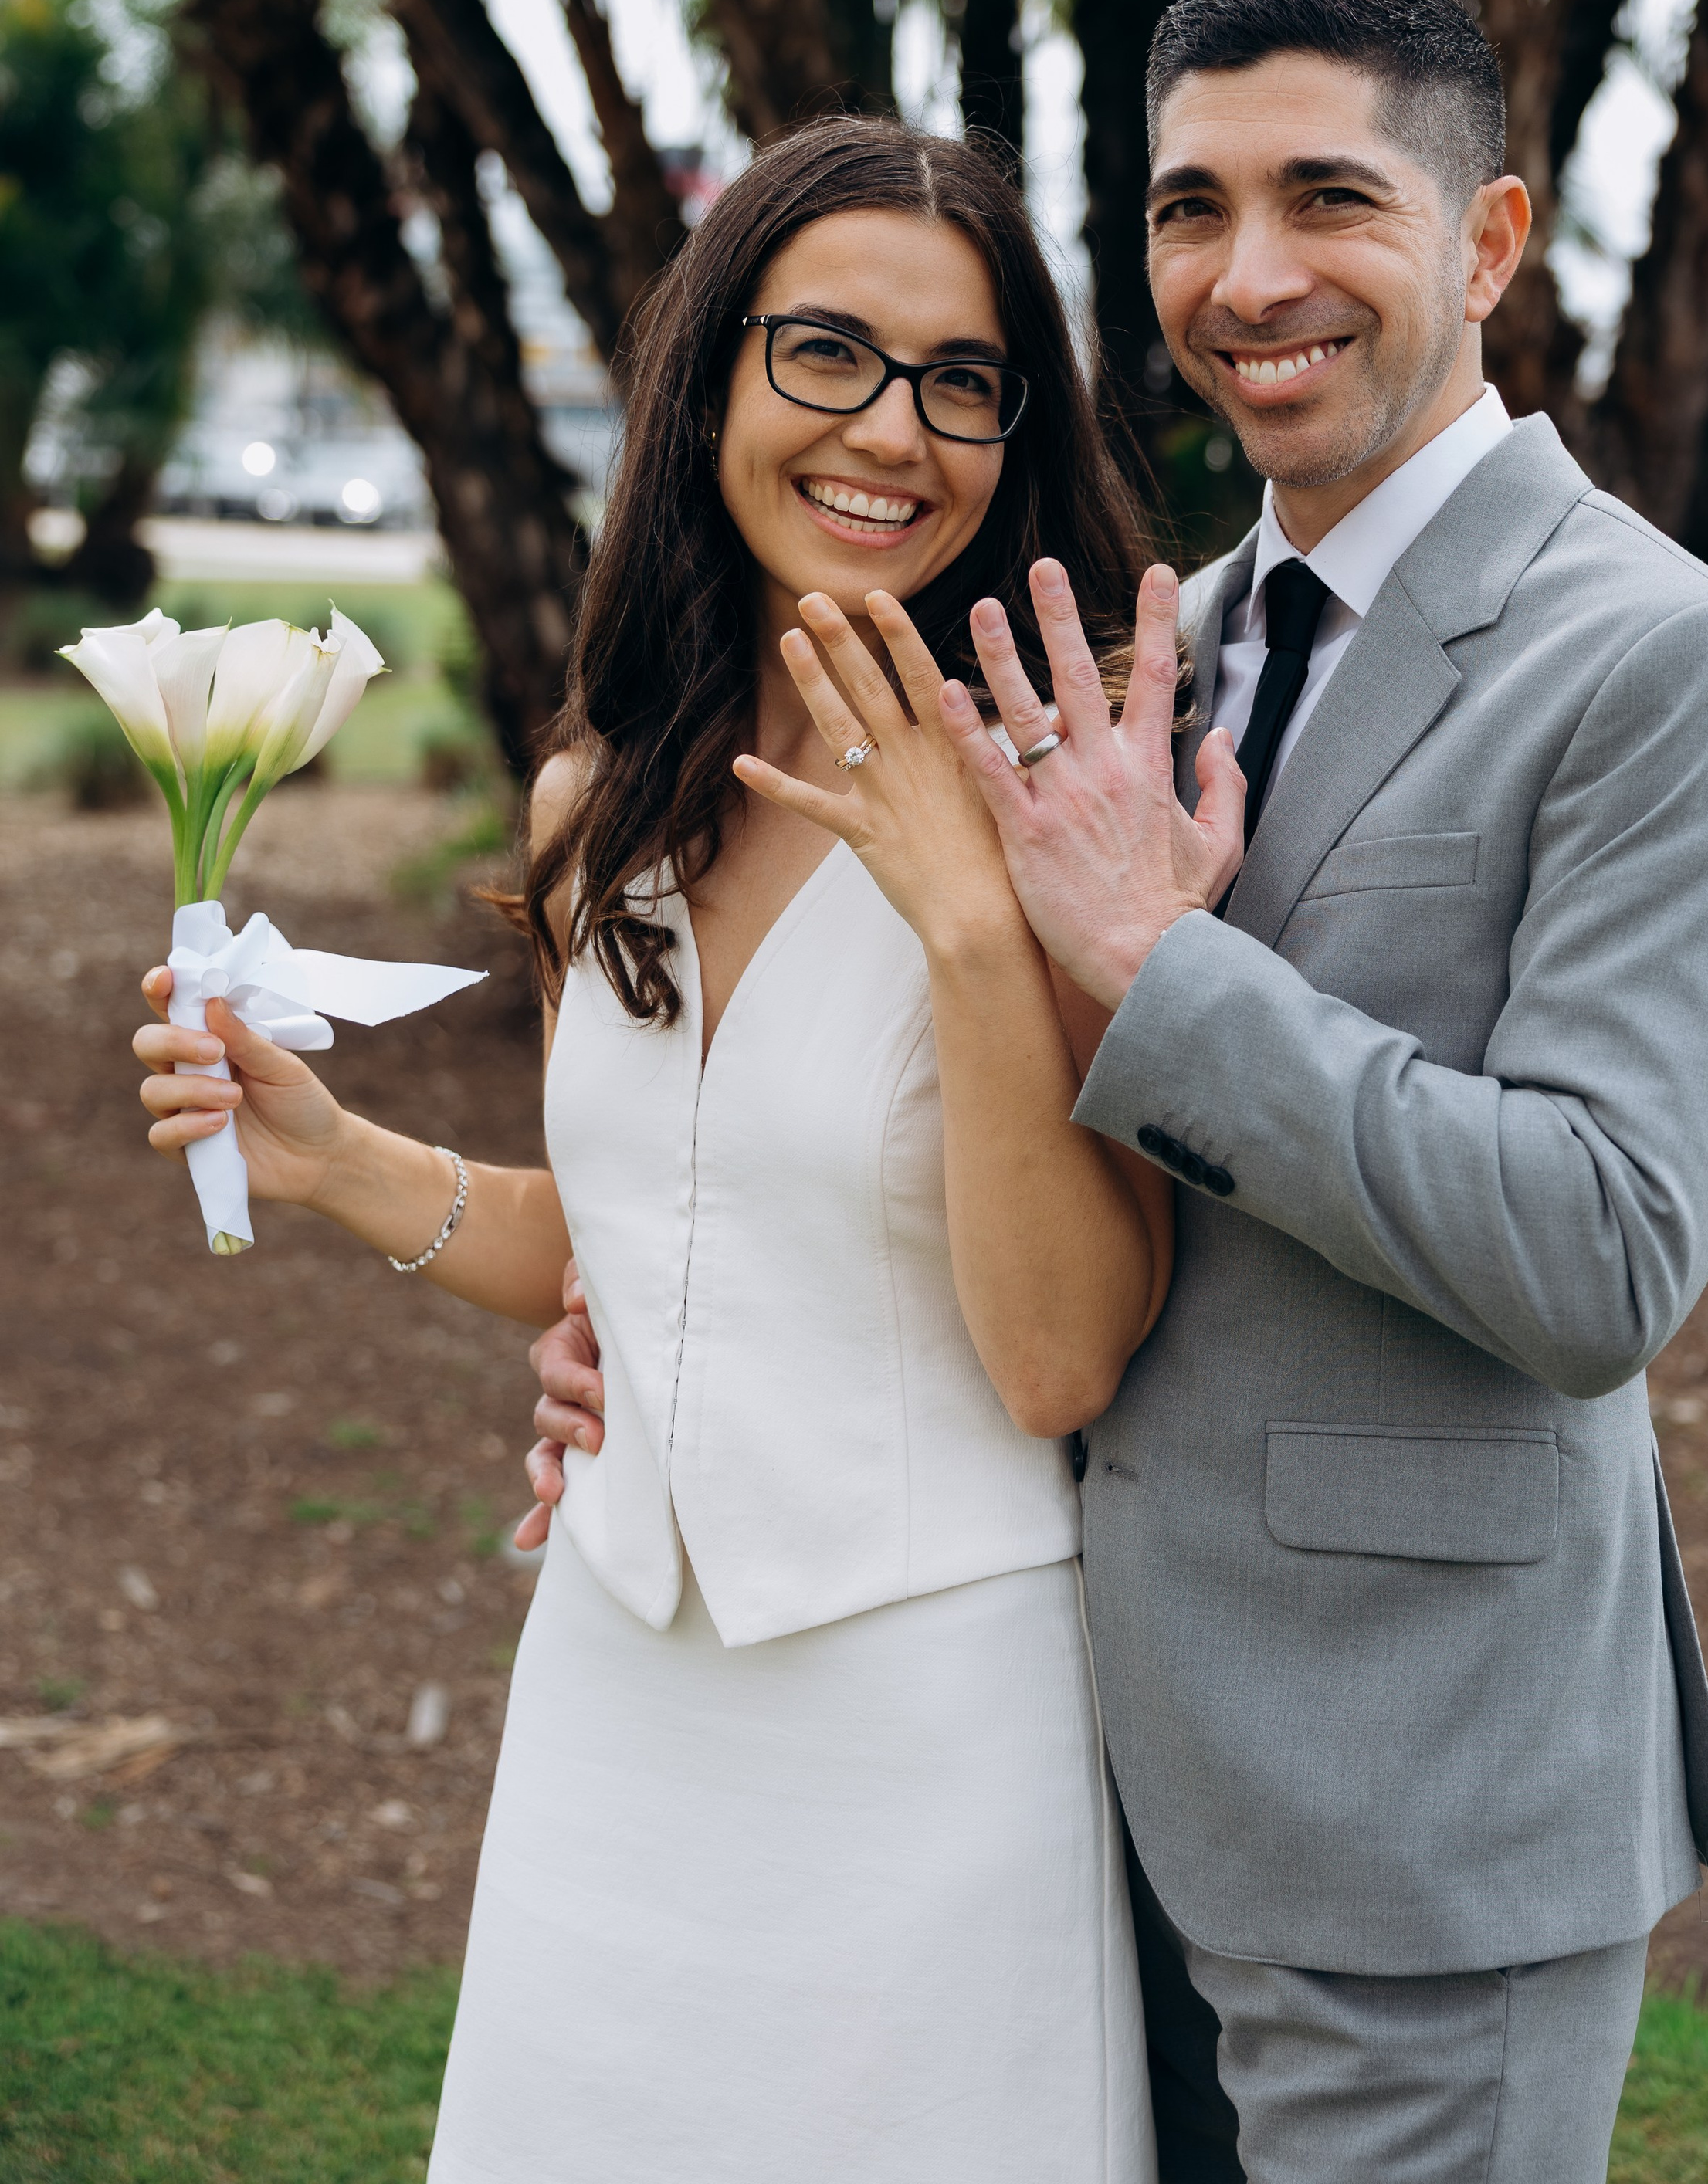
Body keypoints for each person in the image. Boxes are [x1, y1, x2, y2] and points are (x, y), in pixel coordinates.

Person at [527, 0, 1708, 2184]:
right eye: (1188, 210)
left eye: (1330, 199)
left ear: (1491, 243)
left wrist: (1161, 969)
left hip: (1417, 1813)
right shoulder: (1145, 648)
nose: (1249, 277)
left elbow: (1604, 1252)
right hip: (1059, 1783)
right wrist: (664, 1328)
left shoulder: (1673, 664)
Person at [132, 117, 1179, 2183]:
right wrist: (331, 1157)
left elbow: (1063, 1357)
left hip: (932, 1730)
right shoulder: (602, 798)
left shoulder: (1076, 794)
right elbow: (655, 1245)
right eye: (828, 352)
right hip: (615, 1699)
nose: (892, 430)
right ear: (710, 383)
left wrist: (971, 919)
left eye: (962, 380)